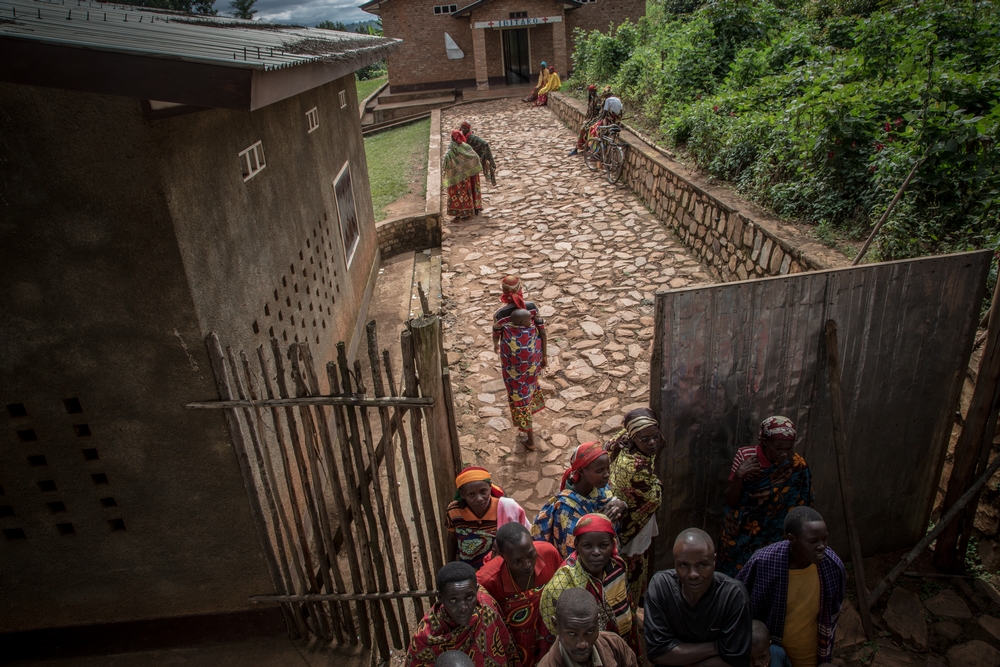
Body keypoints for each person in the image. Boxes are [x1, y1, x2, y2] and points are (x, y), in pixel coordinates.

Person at [736, 508, 845, 667]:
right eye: (813, 541)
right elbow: (737, 603)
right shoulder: (764, 563)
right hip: (767, 659)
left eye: (824, 539)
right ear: (791, 538)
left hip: (810, 659)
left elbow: (831, 615)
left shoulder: (832, 567)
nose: (822, 546)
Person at [718, 416, 814, 577]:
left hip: (774, 535)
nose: (784, 454)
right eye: (778, 448)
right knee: (734, 576)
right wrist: (739, 476)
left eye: (788, 448)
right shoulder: (746, 455)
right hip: (742, 533)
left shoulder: (796, 465)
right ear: (764, 442)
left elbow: (803, 502)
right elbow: (731, 500)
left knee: (767, 575)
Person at [644, 528, 752, 667]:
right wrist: (717, 646)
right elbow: (657, 653)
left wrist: (676, 658)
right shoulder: (661, 587)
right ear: (675, 563)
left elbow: (736, 661)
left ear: (714, 560)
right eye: (684, 565)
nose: (693, 574)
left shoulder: (733, 596)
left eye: (702, 565)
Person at [540, 514, 640, 657]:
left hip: (619, 650)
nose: (596, 552)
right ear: (576, 545)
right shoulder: (560, 586)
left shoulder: (616, 569)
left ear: (612, 544)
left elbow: (629, 611)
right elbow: (551, 635)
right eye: (587, 545)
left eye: (603, 545)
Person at [478, 523, 564, 667]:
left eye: (531, 555)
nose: (527, 565)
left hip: (548, 640)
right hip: (514, 647)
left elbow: (563, 588)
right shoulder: (487, 580)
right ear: (502, 556)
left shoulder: (549, 554)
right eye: (517, 561)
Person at [605, 408, 663, 604]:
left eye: (655, 436)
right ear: (634, 437)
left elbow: (608, 444)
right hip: (632, 523)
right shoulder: (634, 468)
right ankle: (631, 604)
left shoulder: (626, 438)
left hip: (628, 507)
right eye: (645, 439)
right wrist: (656, 484)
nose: (652, 442)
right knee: (634, 565)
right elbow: (655, 499)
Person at [407, 561, 515, 667]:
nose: (463, 607)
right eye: (453, 600)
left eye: (469, 597)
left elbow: (507, 648)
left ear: (477, 591)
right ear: (440, 598)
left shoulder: (487, 609)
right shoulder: (426, 637)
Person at [531, 441, 626, 559]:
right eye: (600, 471)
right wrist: (597, 522)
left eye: (608, 468)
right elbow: (574, 551)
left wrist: (622, 506)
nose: (607, 474)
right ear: (581, 471)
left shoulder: (601, 488)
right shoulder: (566, 508)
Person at [493, 276, 547, 451]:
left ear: (504, 292)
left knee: (518, 393)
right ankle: (527, 420)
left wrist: (495, 345)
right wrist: (544, 355)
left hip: (512, 364)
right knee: (530, 386)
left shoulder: (500, 315)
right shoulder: (531, 308)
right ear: (520, 289)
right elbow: (542, 331)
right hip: (532, 359)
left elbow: (496, 334)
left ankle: (529, 436)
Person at [448, 466, 531, 569]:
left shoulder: (508, 508)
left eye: (483, 492)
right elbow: (452, 540)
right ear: (462, 494)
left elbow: (526, 538)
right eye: (471, 494)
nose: (479, 499)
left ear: (490, 488)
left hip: (501, 570)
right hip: (469, 569)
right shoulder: (455, 512)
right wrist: (451, 565)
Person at [539, 588, 638, 667]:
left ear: (597, 622)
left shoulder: (615, 645)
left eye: (589, 632)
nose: (582, 644)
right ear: (556, 625)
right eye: (572, 633)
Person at [442, 130, 483, 220]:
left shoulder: (450, 150)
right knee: (466, 194)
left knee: (457, 195)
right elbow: (475, 157)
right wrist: (470, 168)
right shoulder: (466, 147)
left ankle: (458, 216)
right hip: (466, 177)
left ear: (452, 138)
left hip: (455, 178)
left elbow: (445, 163)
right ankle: (468, 213)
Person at [461, 121, 498, 187]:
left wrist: (480, 155)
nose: (463, 130)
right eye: (462, 128)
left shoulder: (472, 138)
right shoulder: (462, 137)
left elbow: (484, 144)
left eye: (465, 128)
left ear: (468, 129)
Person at [569, 85, 601, 156]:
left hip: (596, 118)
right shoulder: (592, 98)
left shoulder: (598, 98)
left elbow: (599, 110)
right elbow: (589, 111)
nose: (592, 92)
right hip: (591, 118)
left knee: (587, 129)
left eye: (593, 91)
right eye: (590, 91)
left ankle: (588, 148)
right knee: (583, 128)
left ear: (595, 91)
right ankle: (578, 147)